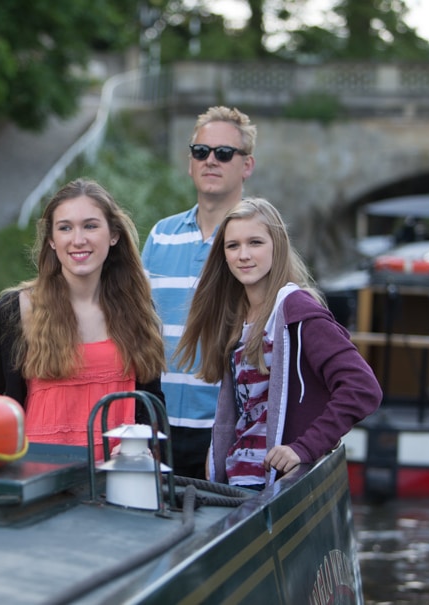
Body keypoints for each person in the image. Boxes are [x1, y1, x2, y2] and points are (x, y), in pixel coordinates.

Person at [175, 198, 382, 489]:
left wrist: (305, 447)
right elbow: (247, 410)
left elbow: (362, 387)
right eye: (232, 246)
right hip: (236, 482)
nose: (243, 254)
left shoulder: (297, 310)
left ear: (277, 246)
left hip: (277, 488)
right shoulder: (235, 318)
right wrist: (218, 449)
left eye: (255, 243)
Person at [0, 178, 165, 454]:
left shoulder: (138, 309)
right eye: (65, 228)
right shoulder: (13, 310)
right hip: (37, 479)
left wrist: (146, 448)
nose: (78, 240)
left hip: (119, 482)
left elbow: (152, 401)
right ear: (52, 240)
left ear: (113, 235)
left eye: (90, 226)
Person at [141, 106, 257, 479]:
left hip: (226, 429)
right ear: (190, 162)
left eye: (224, 153)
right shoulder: (161, 235)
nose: (211, 160)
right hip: (155, 424)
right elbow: (136, 323)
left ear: (246, 166)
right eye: (200, 151)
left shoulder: (255, 243)